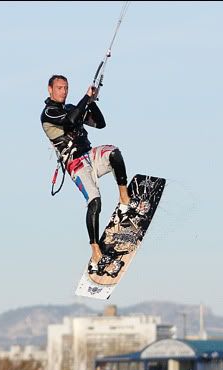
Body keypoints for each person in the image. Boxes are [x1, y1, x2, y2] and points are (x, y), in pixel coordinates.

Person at [40, 74, 144, 275]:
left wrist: (92, 102)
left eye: (66, 87)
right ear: (50, 89)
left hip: (90, 155)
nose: (63, 91)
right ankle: (96, 253)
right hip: (76, 164)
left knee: (114, 153)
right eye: (59, 88)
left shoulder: (72, 107)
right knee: (95, 202)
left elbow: (100, 123)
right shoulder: (48, 113)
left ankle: (124, 201)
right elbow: (70, 122)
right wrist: (85, 99)